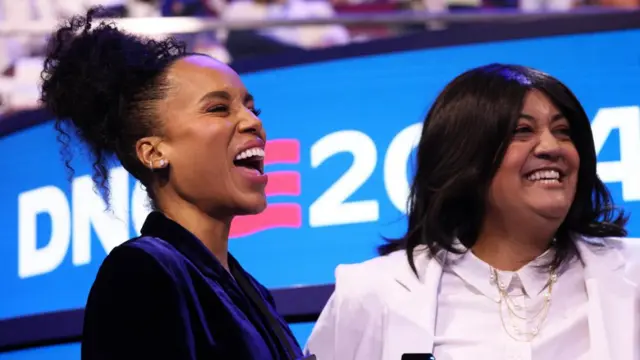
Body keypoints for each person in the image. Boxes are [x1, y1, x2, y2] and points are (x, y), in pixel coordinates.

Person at [304, 64, 640, 360]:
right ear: (466, 156)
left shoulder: (633, 274)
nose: (552, 147)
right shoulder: (372, 294)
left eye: (563, 132)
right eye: (522, 131)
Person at [40, 7, 303, 360]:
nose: (252, 123)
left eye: (252, 109)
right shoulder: (141, 273)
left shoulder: (253, 293)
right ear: (153, 152)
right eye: (218, 109)